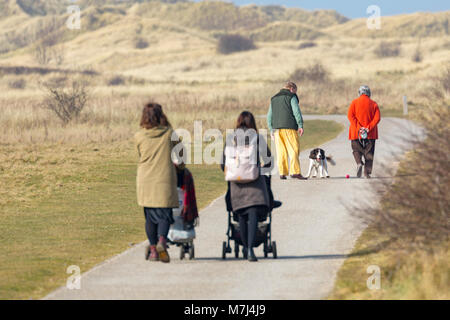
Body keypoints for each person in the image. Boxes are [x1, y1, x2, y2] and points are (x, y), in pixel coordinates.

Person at [221, 111, 273, 262]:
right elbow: (269, 162)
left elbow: (222, 163)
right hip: (255, 184)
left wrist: (234, 172)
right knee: (253, 213)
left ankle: (244, 247)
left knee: (241, 215)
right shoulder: (257, 138)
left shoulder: (231, 138)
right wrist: (259, 169)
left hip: (236, 184)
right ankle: (250, 249)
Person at [135, 103, 183, 263]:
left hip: (145, 180)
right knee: (164, 215)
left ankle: (154, 249)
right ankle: (162, 241)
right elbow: (181, 154)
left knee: (149, 216)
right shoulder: (170, 133)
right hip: (164, 179)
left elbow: (139, 154)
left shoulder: (139, 136)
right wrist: (180, 167)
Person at [267, 81, 307, 180]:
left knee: (281, 151)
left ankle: (282, 173)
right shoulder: (291, 96)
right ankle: (295, 172)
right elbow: (296, 111)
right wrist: (300, 125)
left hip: (277, 130)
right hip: (289, 128)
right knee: (294, 149)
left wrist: (271, 129)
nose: (295, 93)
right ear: (292, 89)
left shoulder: (274, 98)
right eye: (295, 91)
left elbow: (269, 116)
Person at [347, 86, 381, 179]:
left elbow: (350, 116)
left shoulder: (354, 103)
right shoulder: (374, 104)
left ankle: (359, 163)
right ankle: (367, 173)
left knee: (356, 149)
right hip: (370, 133)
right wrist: (367, 128)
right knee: (369, 152)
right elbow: (377, 118)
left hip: (355, 132)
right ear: (369, 93)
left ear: (359, 93)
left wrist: (359, 128)